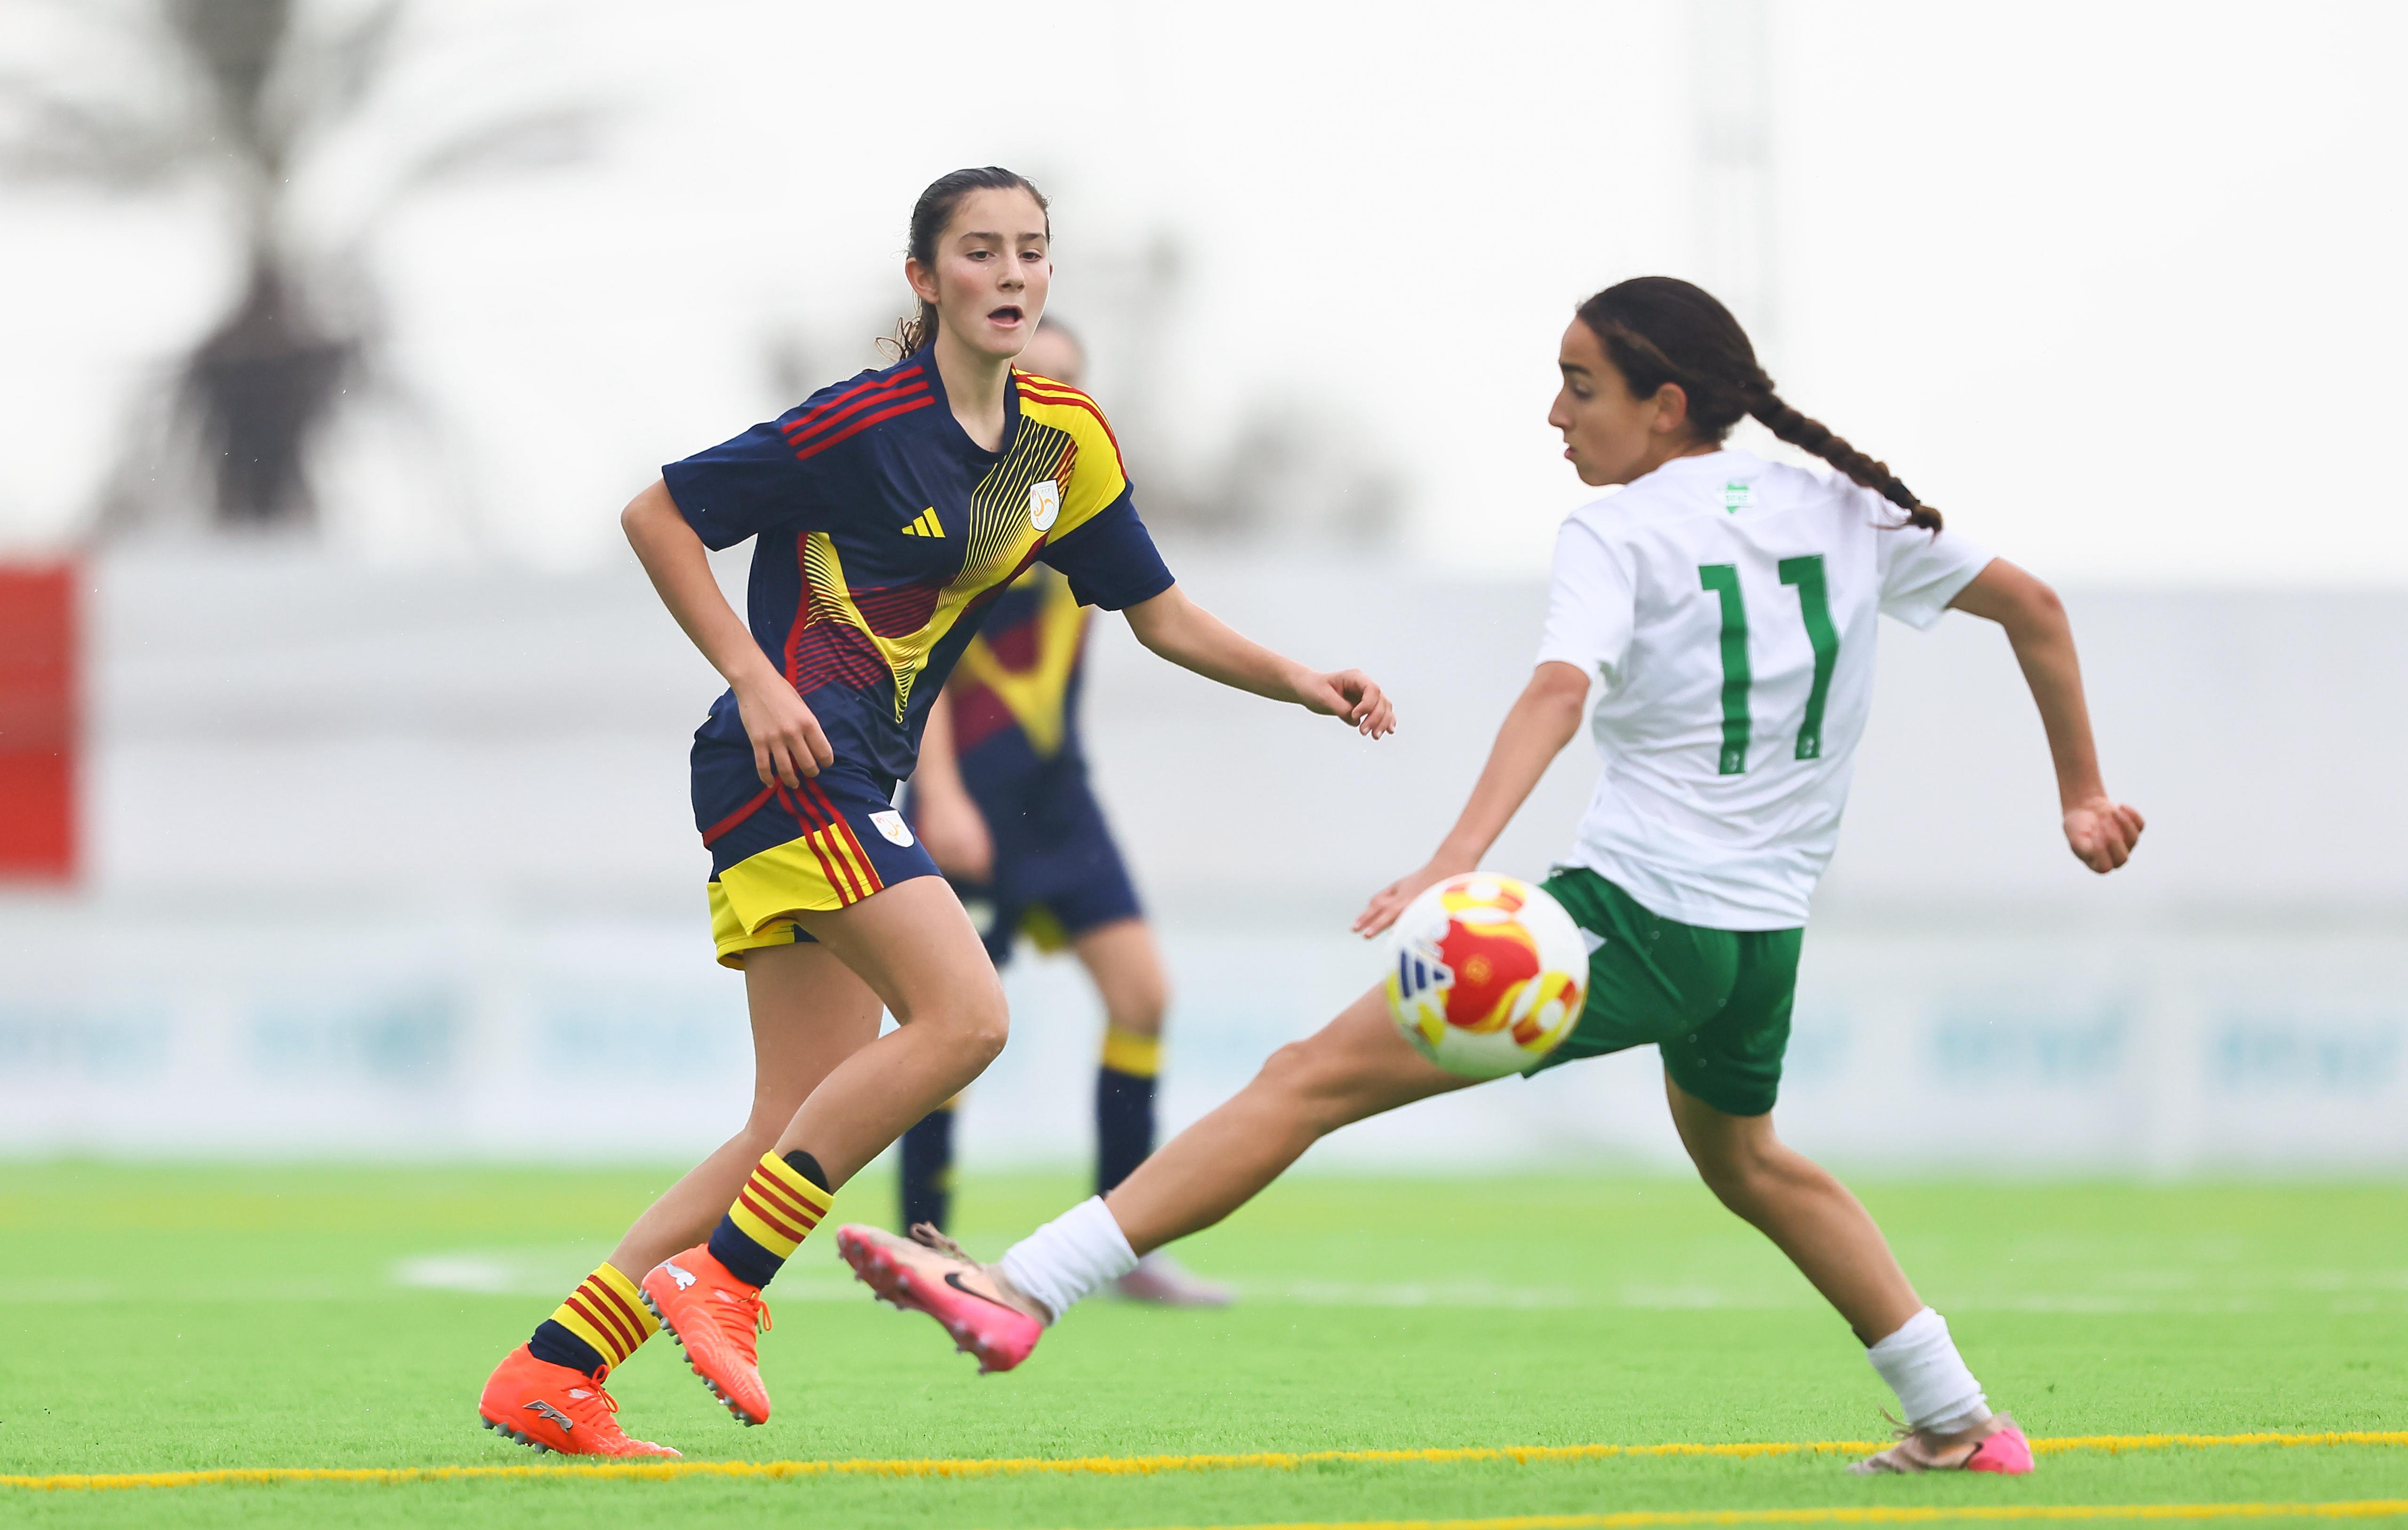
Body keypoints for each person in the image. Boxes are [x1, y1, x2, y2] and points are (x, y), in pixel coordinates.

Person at [835, 276, 2145, 1477]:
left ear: (1665, 405)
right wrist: (2080, 792)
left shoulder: (1618, 529)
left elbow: (1557, 692)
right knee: (1748, 1159)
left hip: (1632, 916)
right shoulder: (1846, 507)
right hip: (1760, 938)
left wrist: (1454, 862)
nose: (1556, 414)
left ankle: (1027, 1286)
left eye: (1581, 385)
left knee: (1303, 1079)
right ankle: (1958, 1417)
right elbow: (2035, 608)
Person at [474, 167, 1394, 1457]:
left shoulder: (1064, 440)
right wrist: (754, 677)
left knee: (785, 1124)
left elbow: (1162, 613)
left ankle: (556, 1368)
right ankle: (726, 1277)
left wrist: (1300, 679)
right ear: (924, 277)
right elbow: (657, 514)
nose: (1011, 273)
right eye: (979, 250)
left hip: (850, 776)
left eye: (1032, 249)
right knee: (968, 1016)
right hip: (792, 764)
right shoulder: (861, 421)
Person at [899, 319, 1232, 1308]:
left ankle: (1120, 1244)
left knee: (1143, 996)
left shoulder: (1080, 501)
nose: (1048, 394)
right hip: (969, 798)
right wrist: (941, 794)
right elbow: (916, 660)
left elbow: (1168, 618)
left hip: (1060, 800)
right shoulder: (952, 506)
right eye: (1031, 376)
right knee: (951, 1033)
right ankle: (923, 1245)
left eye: (1069, 381)